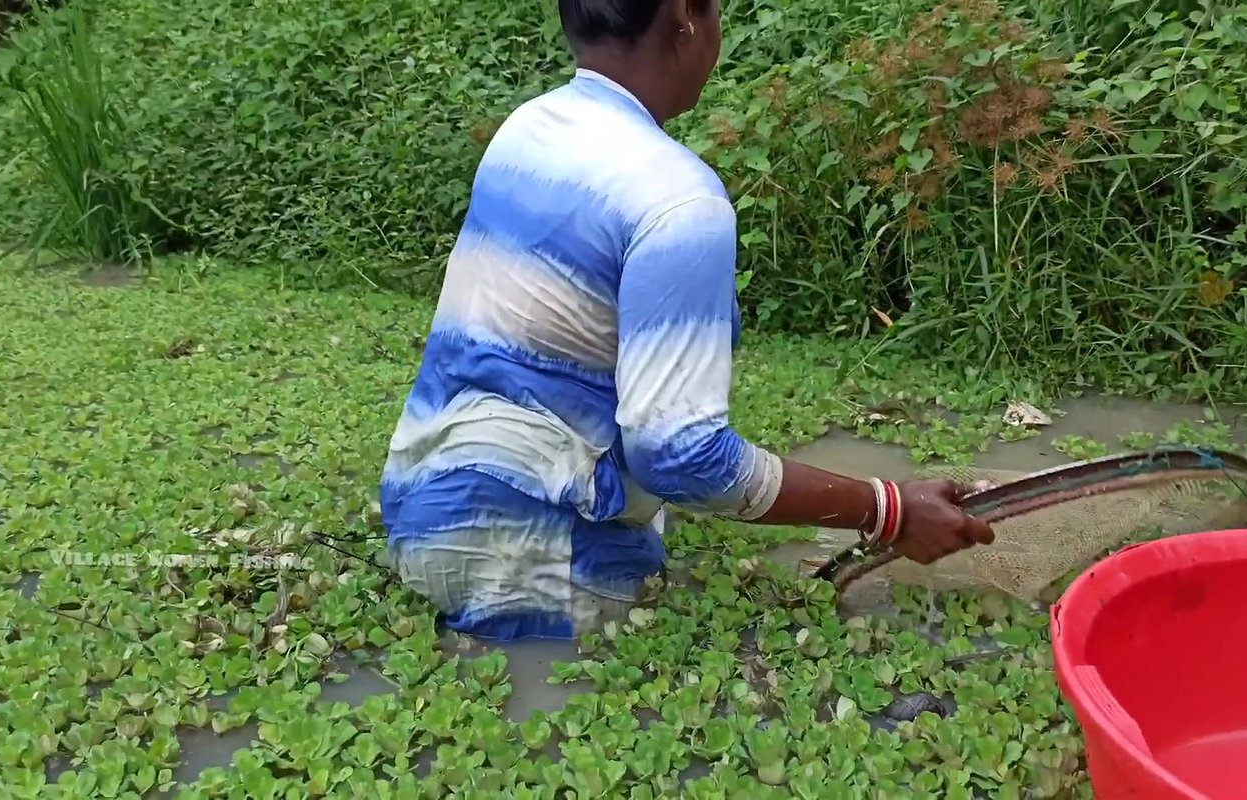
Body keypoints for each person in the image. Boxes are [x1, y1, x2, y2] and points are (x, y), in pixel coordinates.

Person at [378, 0, 995, 641]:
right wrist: (887, 509)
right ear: (685, 17)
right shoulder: (678, 199)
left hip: (419, 510)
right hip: (530, 566)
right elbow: (681, 457)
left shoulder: (530, 127)